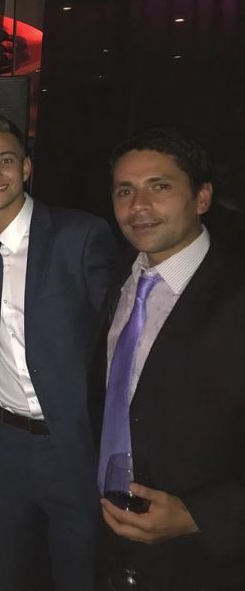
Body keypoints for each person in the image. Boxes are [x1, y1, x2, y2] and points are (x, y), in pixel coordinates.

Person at [0, 113, 117, 591]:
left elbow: (116, 340)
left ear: (25, 167)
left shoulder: (78, 236)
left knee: (78, 576)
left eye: (5, 160)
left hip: (72, 447)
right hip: (1, 443)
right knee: (6, 575)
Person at [89, 128, 245, 590]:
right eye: (125, 191)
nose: (138, 205)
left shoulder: (234, 294)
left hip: (205, 560)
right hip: (113, 544)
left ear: (202, 197)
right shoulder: (121, 275)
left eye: (159, 186)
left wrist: (200, 516)